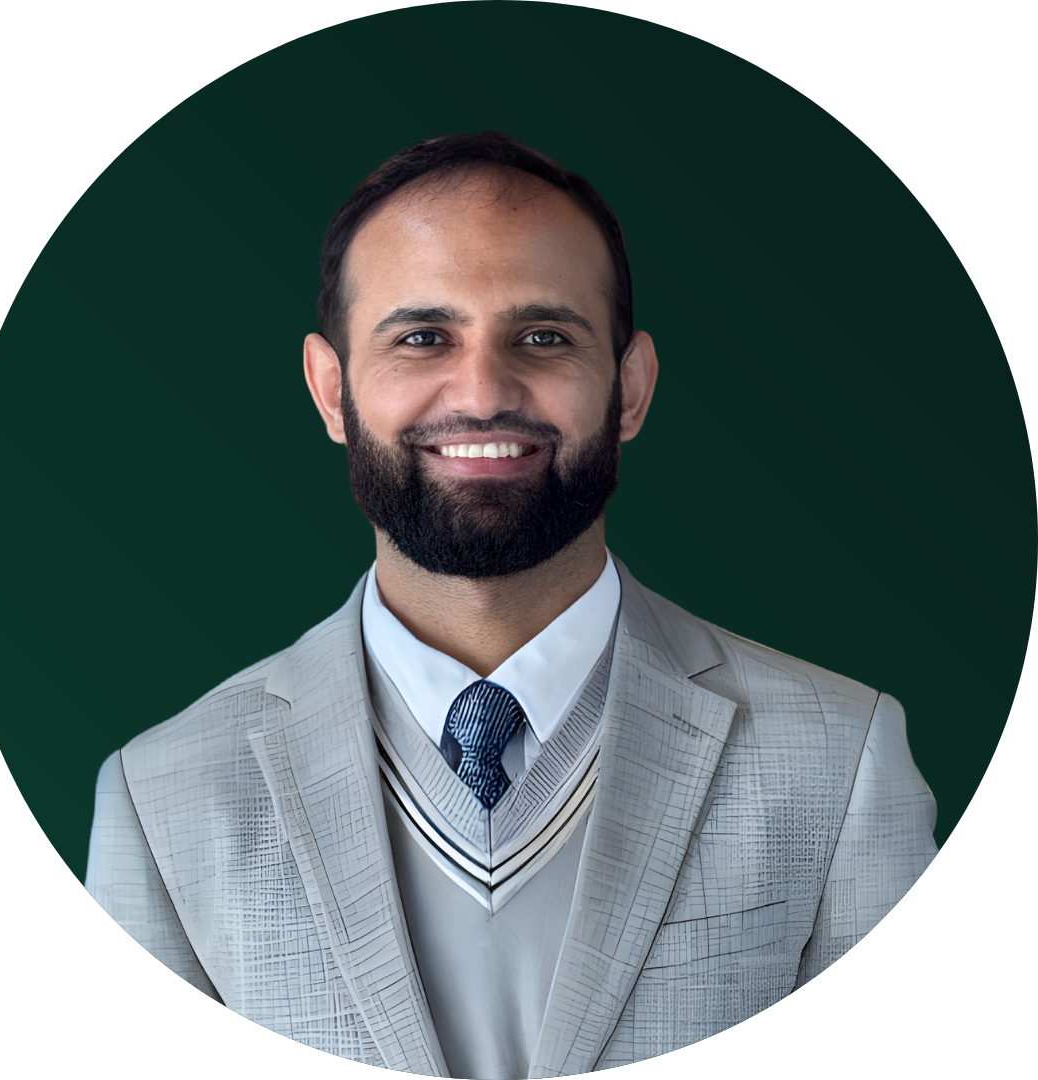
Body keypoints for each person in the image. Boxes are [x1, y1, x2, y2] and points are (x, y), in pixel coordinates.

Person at [85, 132, 937, 1079]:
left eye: (543, 337)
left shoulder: (841, 763)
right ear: (331, 390)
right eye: (422, 337)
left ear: (630, 389)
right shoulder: (161, 801)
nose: (484, 391)